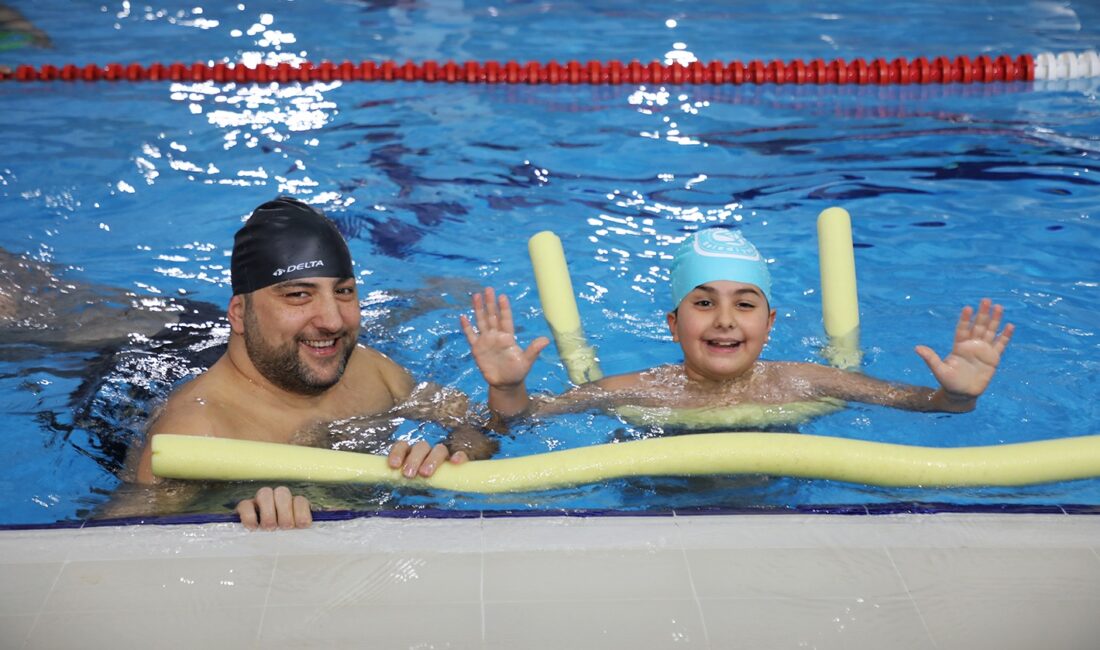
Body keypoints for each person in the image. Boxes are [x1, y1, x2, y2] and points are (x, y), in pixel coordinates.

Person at [123, 197, 495, 529]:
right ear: (238, 313)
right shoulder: (196, 431)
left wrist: (455, 448)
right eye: (299, 295)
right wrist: (228, 519)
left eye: (344, 292)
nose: (333, 321)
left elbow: (479, 425)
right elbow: (116, 543)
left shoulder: (372, 371)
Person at [461, 227, 1014, 426]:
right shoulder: (635, 390)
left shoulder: (805, 380)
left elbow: (918, 403)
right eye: (704, 304)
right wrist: (508, 388)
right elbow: (523, 423)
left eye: (745, 305)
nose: (725, 319)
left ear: (769, 324)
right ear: (674, 324)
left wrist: (955, 396)